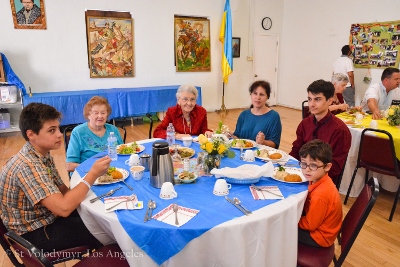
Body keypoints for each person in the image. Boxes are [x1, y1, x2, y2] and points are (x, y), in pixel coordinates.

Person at [0, 103, 110, 253]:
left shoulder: (42, 153)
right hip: (31, 235)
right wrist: (92, 175)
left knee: (95, 215)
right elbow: (64, 208)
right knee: (103, 230)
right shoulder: (27, 166)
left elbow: (64, 191)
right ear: (31, 134)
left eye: (58, 128)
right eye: (52, 130)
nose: (59, 134)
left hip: (46, 216)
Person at [289, 79, 351, 185]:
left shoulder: (340, 130)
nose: (311, 104)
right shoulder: (305, 124)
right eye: (309, 99)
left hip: (323, 183)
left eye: (317, 99)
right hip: (301, 175)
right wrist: (287, 168)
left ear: (330, 101)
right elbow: (296, 151)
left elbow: (335, 167)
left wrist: (309, 178)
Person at [298, 139, 343, 248]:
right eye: (304, 164)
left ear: (327, 167)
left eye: (313, 165)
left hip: (319, 237)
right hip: (321, 228)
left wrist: (290, 219)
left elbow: (310, 225)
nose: (307, 170)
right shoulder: (319, 179)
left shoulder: (321, 195)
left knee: (280, 229)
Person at [66, 96, 123, 172]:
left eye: (103, 113)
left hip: (114, 171)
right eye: (96, 113)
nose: (100, 116)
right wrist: (93, 169)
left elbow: (123, 153)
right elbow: (70, 165)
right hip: (88, 174)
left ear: (107, 114)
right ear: (88, 115)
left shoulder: (113, 130)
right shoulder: (78, 132)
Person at [232, 80, 282, 148]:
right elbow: (237, 137)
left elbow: (274, 144)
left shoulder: (274, 117)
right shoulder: (244, 114)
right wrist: (229, 135)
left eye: (261, 94)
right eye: (255, 93)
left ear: (267, 97)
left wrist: (263, 142)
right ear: (251, 95)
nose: (258, 98)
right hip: (241, 153)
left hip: (261, 155)